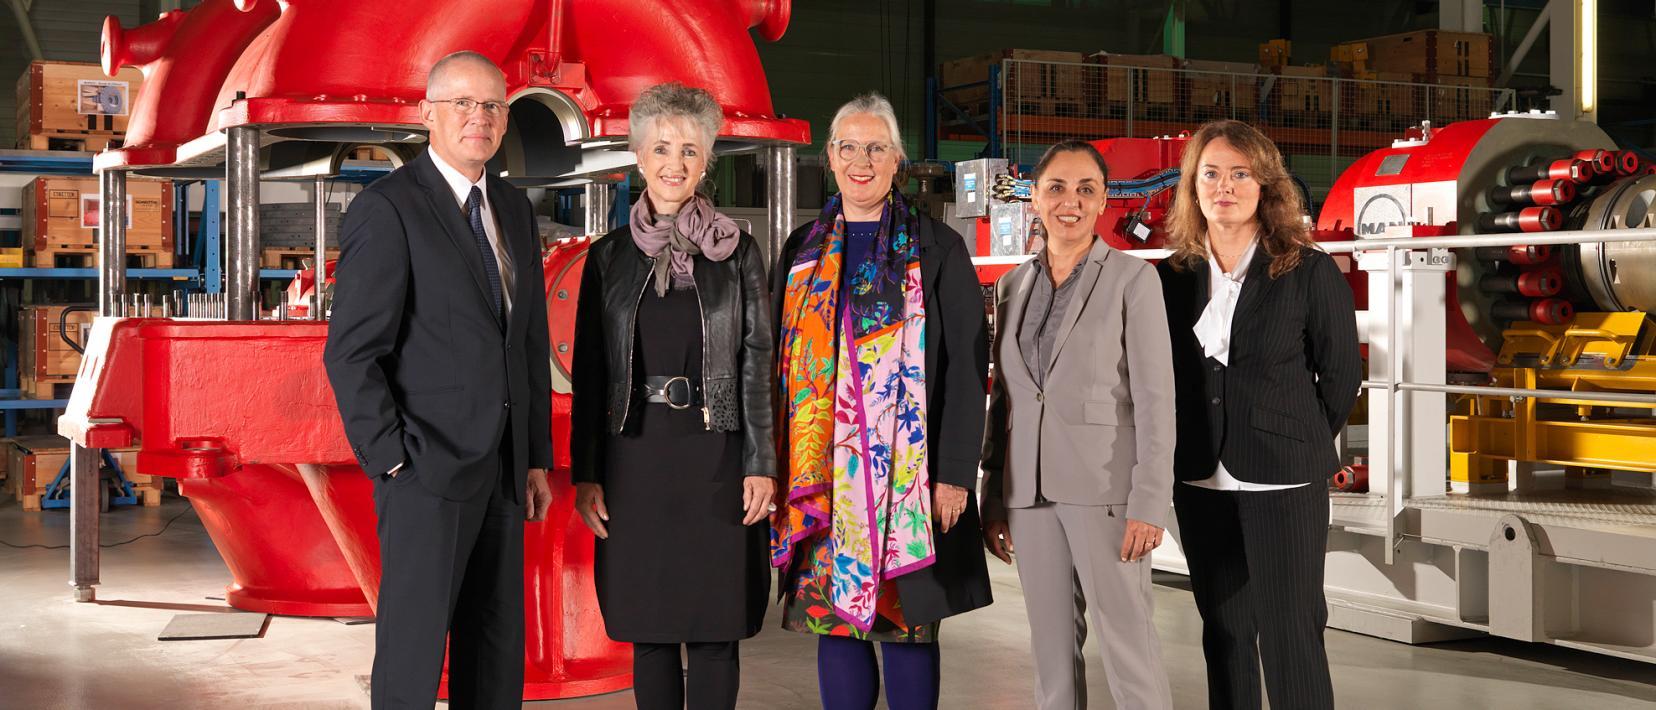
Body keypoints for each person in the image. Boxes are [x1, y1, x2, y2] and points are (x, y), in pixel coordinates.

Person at [323, 50, 555, 710]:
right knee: (413, 649)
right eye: (462, 104)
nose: (477, 118)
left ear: (505, 119)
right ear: (428, 113)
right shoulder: (388, 209)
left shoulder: (512, 208)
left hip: (504, 473)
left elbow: (527, 344)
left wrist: (534, 458)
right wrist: (393, 463)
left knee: (494, 648)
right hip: (425, 471)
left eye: (491, 106)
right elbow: (352, 354)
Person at [770, 92, 992, 710]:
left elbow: (967, 372)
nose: (860, 160)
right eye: (848, 147)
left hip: (908, 483)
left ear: (897, 159)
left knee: (907, 631)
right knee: (833, 625)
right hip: (823, 481)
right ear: (830, 159)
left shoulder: (938, 247)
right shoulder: (801, 251)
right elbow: (777, 368)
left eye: (875, 147)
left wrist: (953, 476)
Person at [569, 82, 777, 710]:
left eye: (690, 150)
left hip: (717, 456)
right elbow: (590, 371)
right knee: (649, 629)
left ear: (706, 161)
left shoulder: (738, 252)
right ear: (638, 157)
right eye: (661, 148)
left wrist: (762, 462)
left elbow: (757, 360)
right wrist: (588, 473)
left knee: (716, 629)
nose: (674, 164)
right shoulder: (607, 258)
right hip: (636, 459)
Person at [1156, 119, 1362, 710]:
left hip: (1285, 479)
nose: (1225, 186)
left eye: (1240, 173)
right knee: (1223, 633)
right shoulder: (1171, 278)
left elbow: (1341, 375)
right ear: (1193, 188)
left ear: (1265, 184)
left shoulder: (1307, 270)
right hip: (1199, 476)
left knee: (1292, 632)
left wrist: (1297, 440)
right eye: (1211, 174)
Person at [980, 140, 1176, 710]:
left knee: (1128, 647)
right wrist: (994, 495)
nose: (1071, 201)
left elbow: (1156, 400)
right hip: (1029, 495)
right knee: (1051, 653)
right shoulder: (1013, 286)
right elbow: (1007, 401)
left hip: (1106, 494)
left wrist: (1150, 500)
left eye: (1086, 189)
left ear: (1104, 202)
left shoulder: (1132, 282)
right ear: (1034, 199)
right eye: (1057, 188)